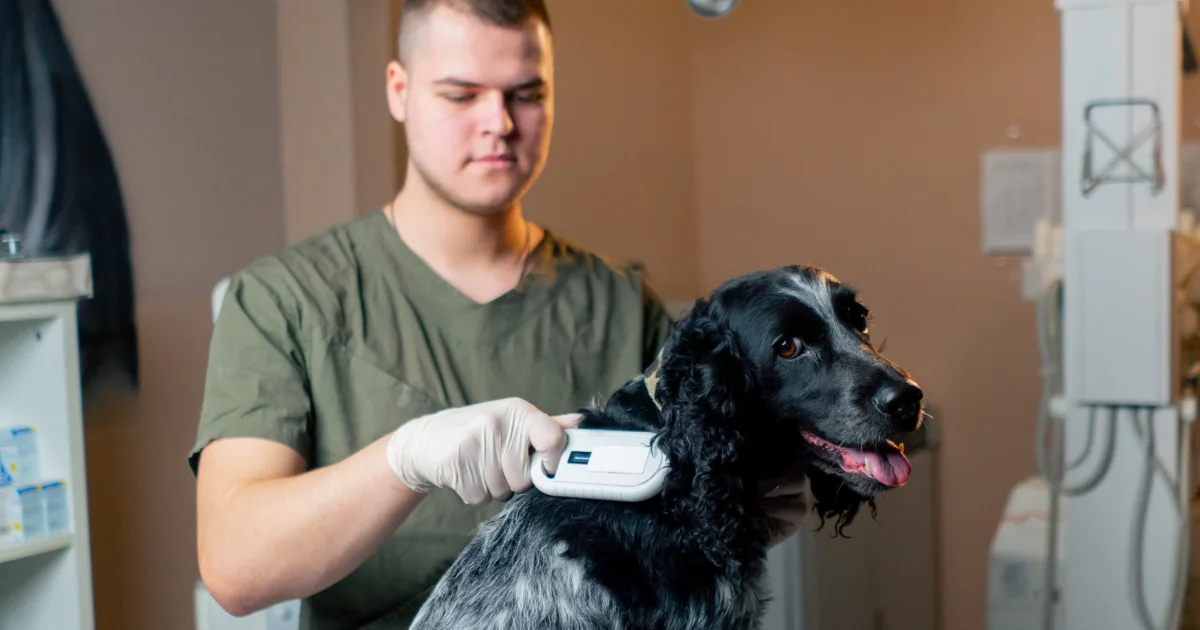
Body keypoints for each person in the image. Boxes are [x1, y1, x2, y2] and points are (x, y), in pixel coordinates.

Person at [190, 1, 807, 628]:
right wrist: (406, 459)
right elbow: (236, 569)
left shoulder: (620, 306)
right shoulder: (283, 300)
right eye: (461, 95)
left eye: (527, 94)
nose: (499, 123)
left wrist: (734, 506)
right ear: (398, 91)